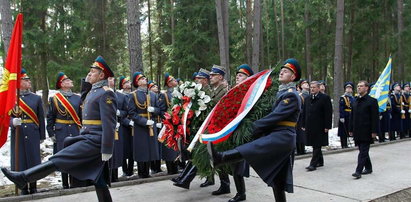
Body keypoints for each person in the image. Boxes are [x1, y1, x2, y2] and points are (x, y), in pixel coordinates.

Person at [2, 56, 117, 201]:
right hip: (87, 136)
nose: (89, 74)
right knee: (99, 179)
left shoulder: (106, 93)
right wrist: (86, 82)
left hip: (95, 140)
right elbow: (83, 99)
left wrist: (107, 148)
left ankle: (24, 177)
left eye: (93, 72)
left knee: (60, 158)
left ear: (101, 75)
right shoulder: (93, 91)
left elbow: (109, 123)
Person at [207, 58, 302, 202]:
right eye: (281, 70)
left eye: (286, 71)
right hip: (277, 135)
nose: (282, 72)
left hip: (283, 137)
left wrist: (253, 127)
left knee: (251, 148)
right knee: (278, 180)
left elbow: (276, 116)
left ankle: (221, 157)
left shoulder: (291, 95)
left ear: (293, 77)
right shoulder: (279, 93)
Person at [8, 69, 46, 195]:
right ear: (19, 81)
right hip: (17, 132)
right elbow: (4, 116)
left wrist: (42, 135)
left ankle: (33, 186)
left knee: (33, 159)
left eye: (29, 80)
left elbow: (40, 117)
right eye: (26, 80)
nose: (29, 81)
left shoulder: (36, 98)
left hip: (32, 132)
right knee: (20, 160)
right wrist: (12, 122)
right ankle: (23, 187)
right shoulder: (11, 98)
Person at [47, 72, 85, 188]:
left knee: (75, 156)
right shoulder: (54, 99)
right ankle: (65, 183)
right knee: (63, 157)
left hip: (75, 130)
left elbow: (81, 116)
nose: (71, 82)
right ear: (62, 84)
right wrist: (51, 132)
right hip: (61, 131)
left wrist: (83, 129)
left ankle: (76, 182)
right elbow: (50, 117)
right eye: (67, 81)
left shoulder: (77, 98)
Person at [227, 64, 254, 202]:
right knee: (233, 163)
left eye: (241, 75)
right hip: (231, 130)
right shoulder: (234, 91)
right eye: (237, 75)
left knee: (238, 163)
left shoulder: (251, 92)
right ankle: (239, 192)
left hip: (242, 131)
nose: (238, 76)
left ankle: (241, 193)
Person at [128, 72, 161, 178]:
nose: (144, 79)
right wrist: (144, 122)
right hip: (140, 125)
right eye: (141, 78)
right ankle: (142, 173)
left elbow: (159, 109)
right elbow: (132, 113)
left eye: (144, 78)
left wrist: (154, 110)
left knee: (150, 149)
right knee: (142, 149)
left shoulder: (152, 95)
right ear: (137, 82)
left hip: (151, 123)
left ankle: (149, 171)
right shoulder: (132, 95)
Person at [206, 64, 230, 195]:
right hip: (215, 126)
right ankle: (224, 183)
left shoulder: (225, 89)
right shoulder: (215, 89)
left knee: (221, 155)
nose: (210, 77)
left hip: (222, 127)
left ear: (220, 77)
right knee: (216, 155)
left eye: (213, 75)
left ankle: (226, 184)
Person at [349, 81, 379, 179]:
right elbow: (352, 116)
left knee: (363, 151)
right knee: (363, 150)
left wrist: (374, 131)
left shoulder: (372, 101)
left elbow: (375, 118)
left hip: (367, 131)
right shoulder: (355, 101)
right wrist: (350, 129)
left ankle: (358, 171)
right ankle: (369, 167)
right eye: (358, 86)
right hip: (357, 130)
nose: (359, 88)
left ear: (367, 88)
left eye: (361, 86)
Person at [303, 81, 332, 171]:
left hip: (320, 125)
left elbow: (328, 113)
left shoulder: (325, 98)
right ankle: (320, 161)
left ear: (319, 88)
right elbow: (304, 112)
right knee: (314, 144)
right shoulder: (307, 98)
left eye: (314, 87)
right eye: (311, 87)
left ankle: (313, 164)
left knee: (317, 144)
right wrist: (303, 123)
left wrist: (327, 126)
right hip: (310, 125)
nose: (312, 89)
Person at [158, 74, 180, 175]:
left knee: (177, 145)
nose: (175, 81)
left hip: (178, 122)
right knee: (169, 147)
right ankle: (171, 169)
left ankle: (177, 166)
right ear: (169, 83)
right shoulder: (164, 95)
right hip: (169, 123)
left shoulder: (179, 92)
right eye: (173, 80)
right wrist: (169, 117)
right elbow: (161, 110)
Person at [108, 77, 123, 182]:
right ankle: (108, 176)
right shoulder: (102, 93)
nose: (112, 80)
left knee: (116, 151)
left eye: (113, 79)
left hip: (117, 127)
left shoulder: (120, 95)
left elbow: (126, 111)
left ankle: (115, 175)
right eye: (109, 78)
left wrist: (119, 113)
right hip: (107, 126)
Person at [338, 82, 355, 148]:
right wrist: (342, 116)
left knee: (350, 129)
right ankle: (344, 144)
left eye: (350, 88)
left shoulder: (353, 98)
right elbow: (341, 107)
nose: (349, 89)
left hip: (351, 115)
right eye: (347, 88)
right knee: (343, 131)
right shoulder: (343, 98)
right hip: (345, 115)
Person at [296, 79, 309, 155]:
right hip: (301, 118)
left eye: (307, 83)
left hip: (309, 117)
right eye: (304, 83)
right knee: (300, 134)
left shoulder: (310, 95)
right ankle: (300, 150)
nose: (306, 84)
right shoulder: (300, 96)